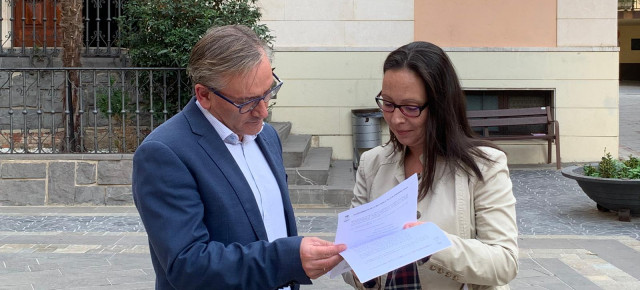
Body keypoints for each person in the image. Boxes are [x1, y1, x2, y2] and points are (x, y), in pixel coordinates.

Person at [132, 25, 346, 290]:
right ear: (204, 95)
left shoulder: (267, 137)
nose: (263, 111)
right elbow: (188, 265)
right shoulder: (164, 152)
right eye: (247, 102)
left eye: (269, 92)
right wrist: (288, 259)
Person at [342, 41, 518, 289]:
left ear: (440, 106)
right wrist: (358, 269)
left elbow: (504, 263)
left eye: (411, 107)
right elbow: (352, 265)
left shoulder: (484, 165)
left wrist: (431, 244)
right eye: (388, 104)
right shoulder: (372, 163)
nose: (396, 118)